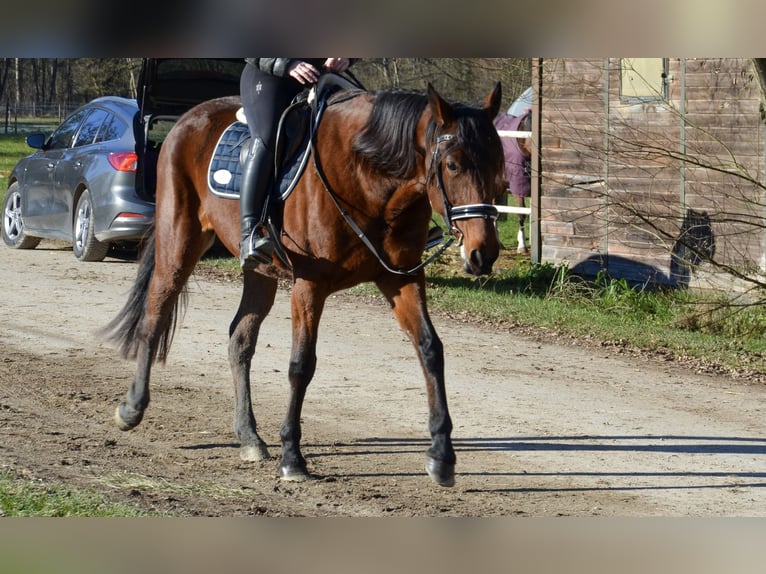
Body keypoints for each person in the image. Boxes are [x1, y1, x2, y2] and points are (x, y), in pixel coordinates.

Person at [238, 58, 352, 269]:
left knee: (368, 122)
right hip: (271, 77)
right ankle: (249, 233)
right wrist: (287, 64)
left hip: (321, 76)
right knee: (267, 138)